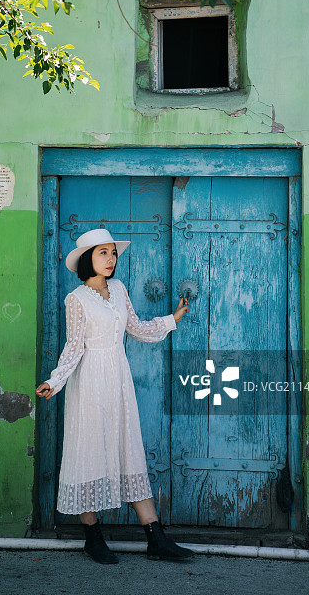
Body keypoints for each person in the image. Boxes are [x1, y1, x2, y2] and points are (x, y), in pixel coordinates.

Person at [36, 228, 195, 565]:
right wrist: (55, 381)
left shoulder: (120, 290)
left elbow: (135, 328)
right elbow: (73, 347)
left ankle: (156, 538)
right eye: (102, 253)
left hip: (118, 378)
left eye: (113, 253)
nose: (110, 259)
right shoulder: (76, 299)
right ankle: (93, 539)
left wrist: (172, 318)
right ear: (86, 260)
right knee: (89, 450)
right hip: (90, 381)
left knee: (128, 448)